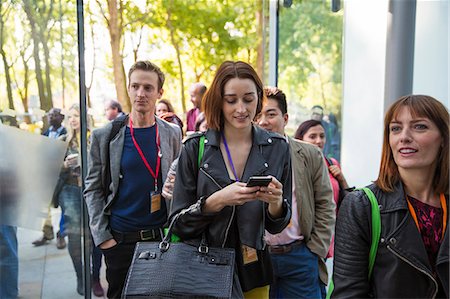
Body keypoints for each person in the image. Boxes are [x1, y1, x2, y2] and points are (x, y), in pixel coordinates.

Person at [170, 61, 292, 298]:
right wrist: (216, 201)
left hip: (253, 271)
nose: (241, 108)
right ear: (218, 100)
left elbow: (276, 224)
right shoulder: (195, 147)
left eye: (248, 98)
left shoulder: (277, 148)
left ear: (259, 97)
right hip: (201, 270)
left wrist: (276, 203)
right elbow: (177, 223)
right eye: (231, 100)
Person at [330, 95, 449, 298]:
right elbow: (348, 293)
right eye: (395, 128)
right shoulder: (362, 205)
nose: (404, 136)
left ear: (443, 139)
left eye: (419, 127)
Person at [84, 60, 182, 299]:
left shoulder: (172, 133)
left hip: (161, 239)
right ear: (128, 88)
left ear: (159, 93)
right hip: (120, 242)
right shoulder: (105, 135)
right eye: (135, 86)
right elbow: (92, 189)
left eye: (148, 88)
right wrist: (104, 239)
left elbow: (180, 182)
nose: (141, 93)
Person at [256, 87, 335, 299]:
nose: (263, 121)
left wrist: (315, 249)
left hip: (300, 256)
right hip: (258, 258)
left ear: (285, 118)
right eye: (258, 115)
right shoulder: (244, 155)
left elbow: (325, 203)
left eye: (271, 114)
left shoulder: (309, 154)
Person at [33, 108, 67, 249]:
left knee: (66, 207)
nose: (51, 117)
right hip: (47, 176)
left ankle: (62, 234)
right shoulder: (45, 134)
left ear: (61, 117)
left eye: (54, 115)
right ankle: (47, 233)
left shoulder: (67, 134)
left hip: (63, 176)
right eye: (50, 114)